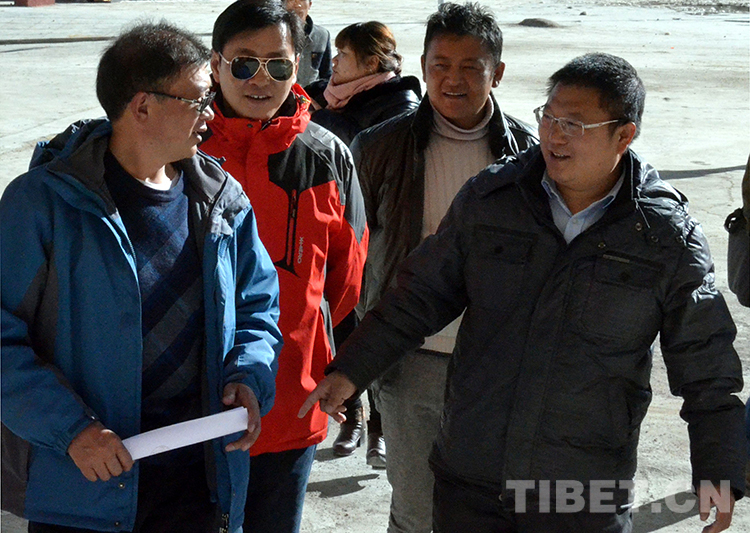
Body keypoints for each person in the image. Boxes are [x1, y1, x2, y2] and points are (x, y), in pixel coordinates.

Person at [302, 52, 746, 533]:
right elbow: (417, 296)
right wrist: (352, 369)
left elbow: (706, 363)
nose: (554, 135)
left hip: (582, 486)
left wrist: (719, 469)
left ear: (624, 135)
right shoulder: (493, 199)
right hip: (474, 473)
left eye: (574, 124)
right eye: (548, 117)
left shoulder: (663, 236)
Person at [0, 21, 282, 533]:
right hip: (87, 481)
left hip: (200, 477)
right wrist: (72, 431)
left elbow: (257, 307)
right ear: (143, 106)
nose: (211, 113)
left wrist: (248, 377)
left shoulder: (221, 199)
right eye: (198, 99)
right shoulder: (42, 204)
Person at [312, 3, 537, 531]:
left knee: (489, 513)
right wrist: (350, 360)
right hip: (409, 360)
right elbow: (349, 256)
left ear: (497, 73)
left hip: (497, 367)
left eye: (471, 67)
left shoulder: (529, 154)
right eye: (441, 65)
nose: (453, 80)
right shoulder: (379, 147)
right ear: (422, 66)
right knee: (415, 511)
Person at [201, 2, 368, 532]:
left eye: (277, 64)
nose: (261, 79)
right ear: (215, 64)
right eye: (243, 63)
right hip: (192, 408)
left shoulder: (328, 155)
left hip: (292, 399)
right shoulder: (181, 148)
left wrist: (308, 346)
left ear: (298, 65)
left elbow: (346, 280)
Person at [308, 20, 421, 466]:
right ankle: (352, 416)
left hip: (377, 236)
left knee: (374, 325)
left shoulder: (399, 108)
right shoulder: (329, 95)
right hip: (334, 227)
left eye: (344, 56)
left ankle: (380, 427)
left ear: (371, 63)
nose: (334, 62)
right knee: (341, 325)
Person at [285, 0, 332, 87]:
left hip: (310, 94)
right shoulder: (274, 35)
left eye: (302, 0)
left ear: (310, 4)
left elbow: (327, 75)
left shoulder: (321, 35)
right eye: (291, 0)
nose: (297, 4)